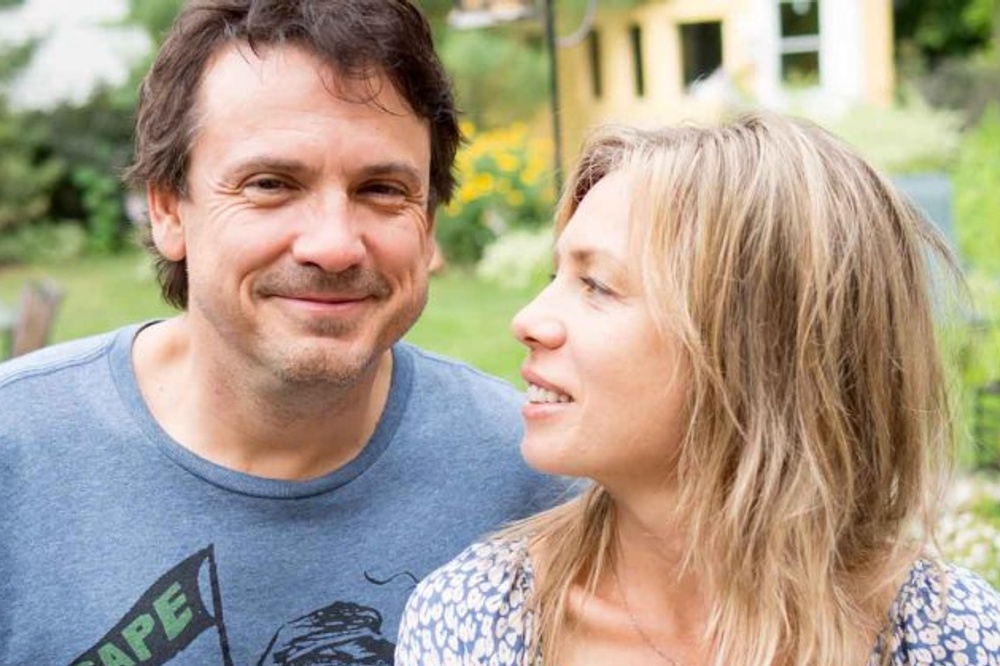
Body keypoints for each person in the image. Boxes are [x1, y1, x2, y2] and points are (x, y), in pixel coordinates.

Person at [0, 1, 562, 664]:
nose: (334, 246)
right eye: (271, 184)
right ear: (167, 209)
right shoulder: (17, 456)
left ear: (430, 223)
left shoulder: (539, 486)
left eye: (383, 189)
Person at [396, 113, 1000, 666]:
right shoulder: (481, 622)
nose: (528, 319)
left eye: (596, 285)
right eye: (557, 275)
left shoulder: (945, 636)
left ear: (759, 350)